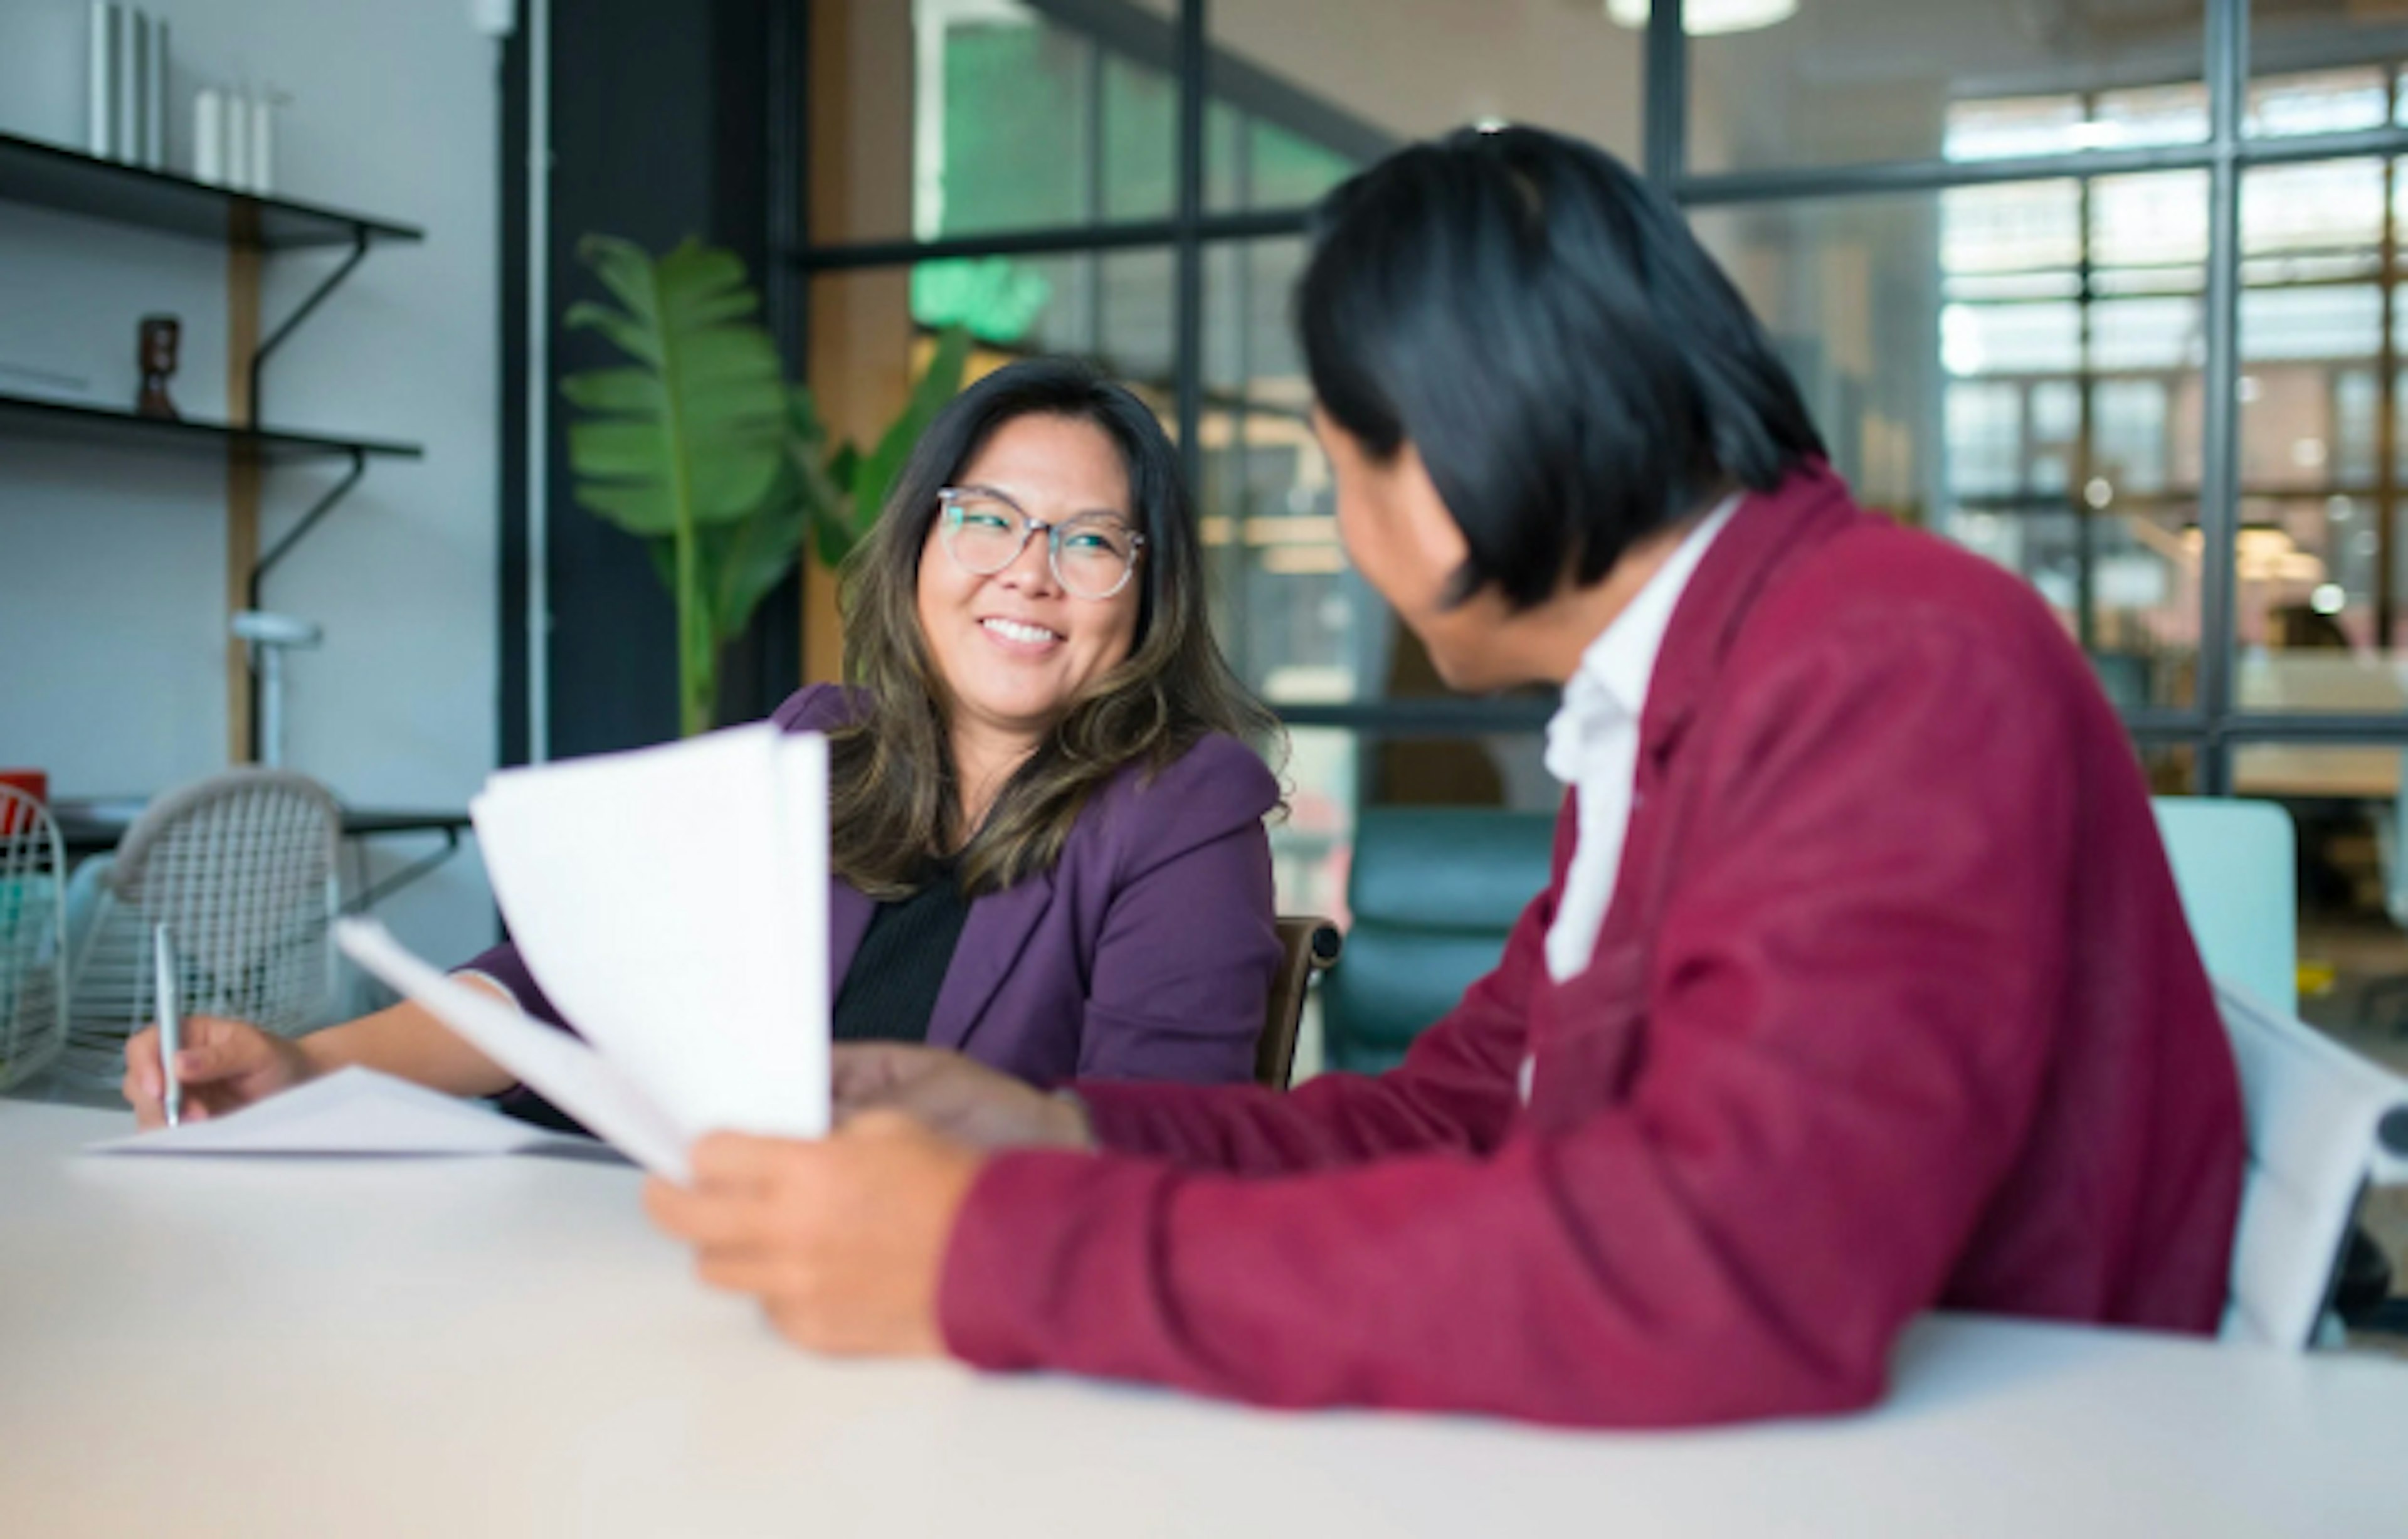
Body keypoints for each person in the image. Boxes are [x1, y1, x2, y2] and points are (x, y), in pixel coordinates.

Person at [640, 127, 2247, 1426]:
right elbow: (1455, 1118)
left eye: (1341, 471)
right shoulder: (1686, 693)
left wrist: (996, 1253)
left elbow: (1723, 1278)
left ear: (1455, 469)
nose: (1347, 533)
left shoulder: (1890, 663)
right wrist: (1053, 1133)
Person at [124, 359, 1286, 1125]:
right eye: (986, 519)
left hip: (949, 1318)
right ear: (920, 545)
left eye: (1090, 542)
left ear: (1146, 593)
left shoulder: (1184, 805)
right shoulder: (820, 748)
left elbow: (1157, 1138)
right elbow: (562, 985)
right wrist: (311, 1070)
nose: (1027, 570)